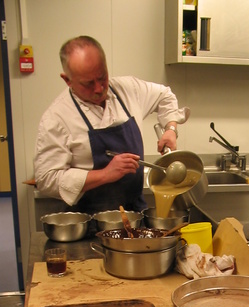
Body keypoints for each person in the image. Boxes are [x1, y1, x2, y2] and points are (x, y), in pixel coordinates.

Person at [34, 35, 190, 214]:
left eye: (102, 77)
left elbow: (165, 96)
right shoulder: (56, 118)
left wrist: (170, 129)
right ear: (67, 80)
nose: (99, 88)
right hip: (91, 221)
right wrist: (104, 174)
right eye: (88, 83)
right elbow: (46, 179)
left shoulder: (128, 89)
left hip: (134, 215)